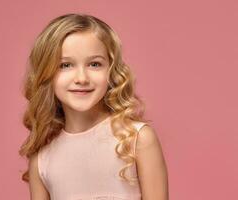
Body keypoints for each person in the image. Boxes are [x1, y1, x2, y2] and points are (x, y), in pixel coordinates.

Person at [19, 13, 169, 200]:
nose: (81, 78)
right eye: (65, 65)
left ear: (112, 70)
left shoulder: (137, 139)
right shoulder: (42, 158)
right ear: (45, 73)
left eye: (94, 64)